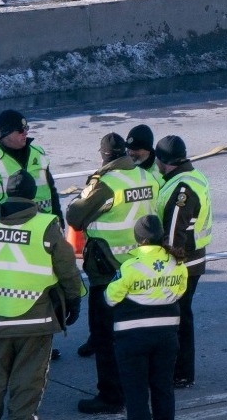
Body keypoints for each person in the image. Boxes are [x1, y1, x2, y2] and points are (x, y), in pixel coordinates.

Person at [0, 171, 81, 420]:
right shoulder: (45, 225)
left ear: (8, 192)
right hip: (34, 319)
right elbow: (67, 268)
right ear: (32, 195)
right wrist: (73, 299)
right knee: (28, 380)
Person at [66, 132, 158, 415]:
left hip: (109, 271)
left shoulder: (106, 184)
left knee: (105, 337)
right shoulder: (147, 177)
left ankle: (110, 396)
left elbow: (75, 218)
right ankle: (136, 390)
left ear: (104, 155)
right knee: (134, 336)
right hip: (141, 267)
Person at [105, 215, 187, 420]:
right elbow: (180, 292)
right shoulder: (177, 264)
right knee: (163, 388)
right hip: (167, 337)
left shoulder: (131, 267)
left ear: (140, 240)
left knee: (136, 392)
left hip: (133, 339)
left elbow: (110, 298)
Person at [154, 135, 212, 389]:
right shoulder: (194, 176)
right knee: (182, 317)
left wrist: (167, 269)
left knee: (176, 319)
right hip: (194, 259)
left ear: (163, 162)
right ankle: (182, 372)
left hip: (183, 264)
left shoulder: (182, 190)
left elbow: (172, 235)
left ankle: (179, 372)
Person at [0, 109, 61, 218]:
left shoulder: (38, 154)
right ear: (6, 133)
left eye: (26, 128)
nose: (25, 133)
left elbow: (52, 191)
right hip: (7, 230)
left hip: (42, 226)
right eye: (20, 130)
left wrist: (59, 220)